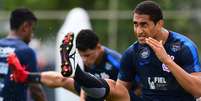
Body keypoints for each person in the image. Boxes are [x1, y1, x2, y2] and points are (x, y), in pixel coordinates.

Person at [57, 1, 201, 101]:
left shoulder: (184, 46)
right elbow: (119, 93)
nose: (139, 31)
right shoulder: (132, 52)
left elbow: (197, 90)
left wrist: (167, 61)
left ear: (159, 24)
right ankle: (76, 73)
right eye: (135, 25)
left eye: (144, 25)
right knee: (113, 86)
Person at [8, 29, 130, 101]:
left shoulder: (116, 61)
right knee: (64, 78)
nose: (84, 60)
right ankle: (25, 76)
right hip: (91, 91)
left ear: (98, 47)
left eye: (87, 55)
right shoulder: (87, 59)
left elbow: (132, 88)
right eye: (81, 56)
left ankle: (76, 72)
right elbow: (84, 89)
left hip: (118, 97)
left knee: (111, 84)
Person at [0, 8, 47, 101]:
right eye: (32, 29)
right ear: (25, 27)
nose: (32, 34)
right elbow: (36, 90)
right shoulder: (26, 51)